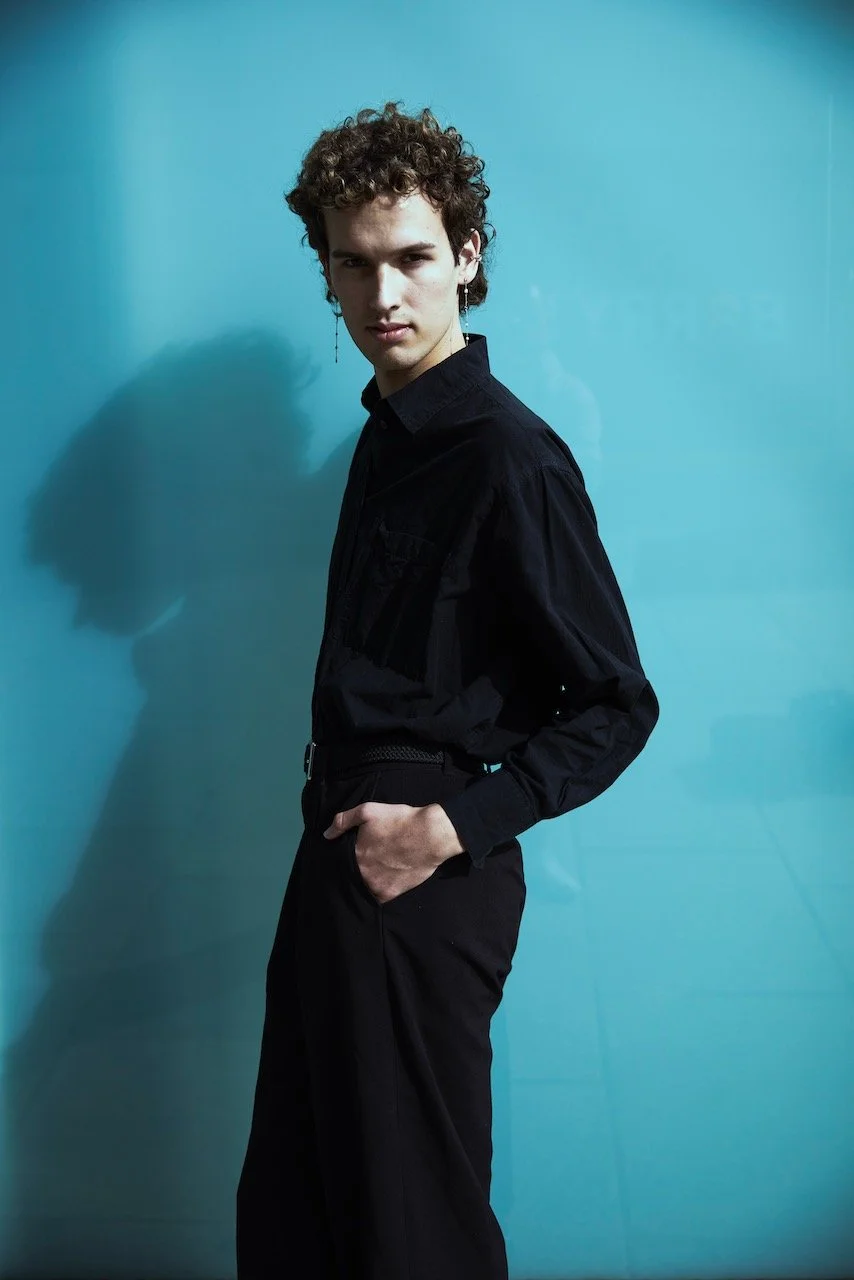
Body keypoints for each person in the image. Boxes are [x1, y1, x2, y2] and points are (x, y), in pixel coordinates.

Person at [236, 101, 659, 1280]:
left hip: (418, 872)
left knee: (410, 1227)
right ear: (327, 272)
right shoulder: (387, 435)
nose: (384, 295)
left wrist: (446, 830)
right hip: (340, 853)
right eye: (354, 264)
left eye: (413, 258)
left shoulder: (506, 454)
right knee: (301, 1210)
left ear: (466, 255)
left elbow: (616, 703)